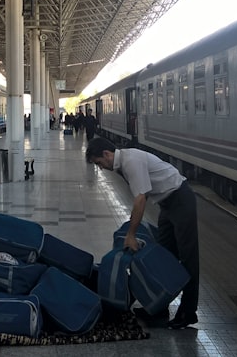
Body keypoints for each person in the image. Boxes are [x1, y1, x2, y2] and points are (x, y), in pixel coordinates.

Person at [85, 137, 199, 329]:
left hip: (180, 200)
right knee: (163, 257)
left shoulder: (131, 162)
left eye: (99, 163)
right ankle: (158, 307)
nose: (101, 168)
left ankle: (188, 312)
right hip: (167, 204)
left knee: (188, 258)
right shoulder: (124, 162)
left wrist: (131, 234)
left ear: (107, 154)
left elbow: (140, 200)